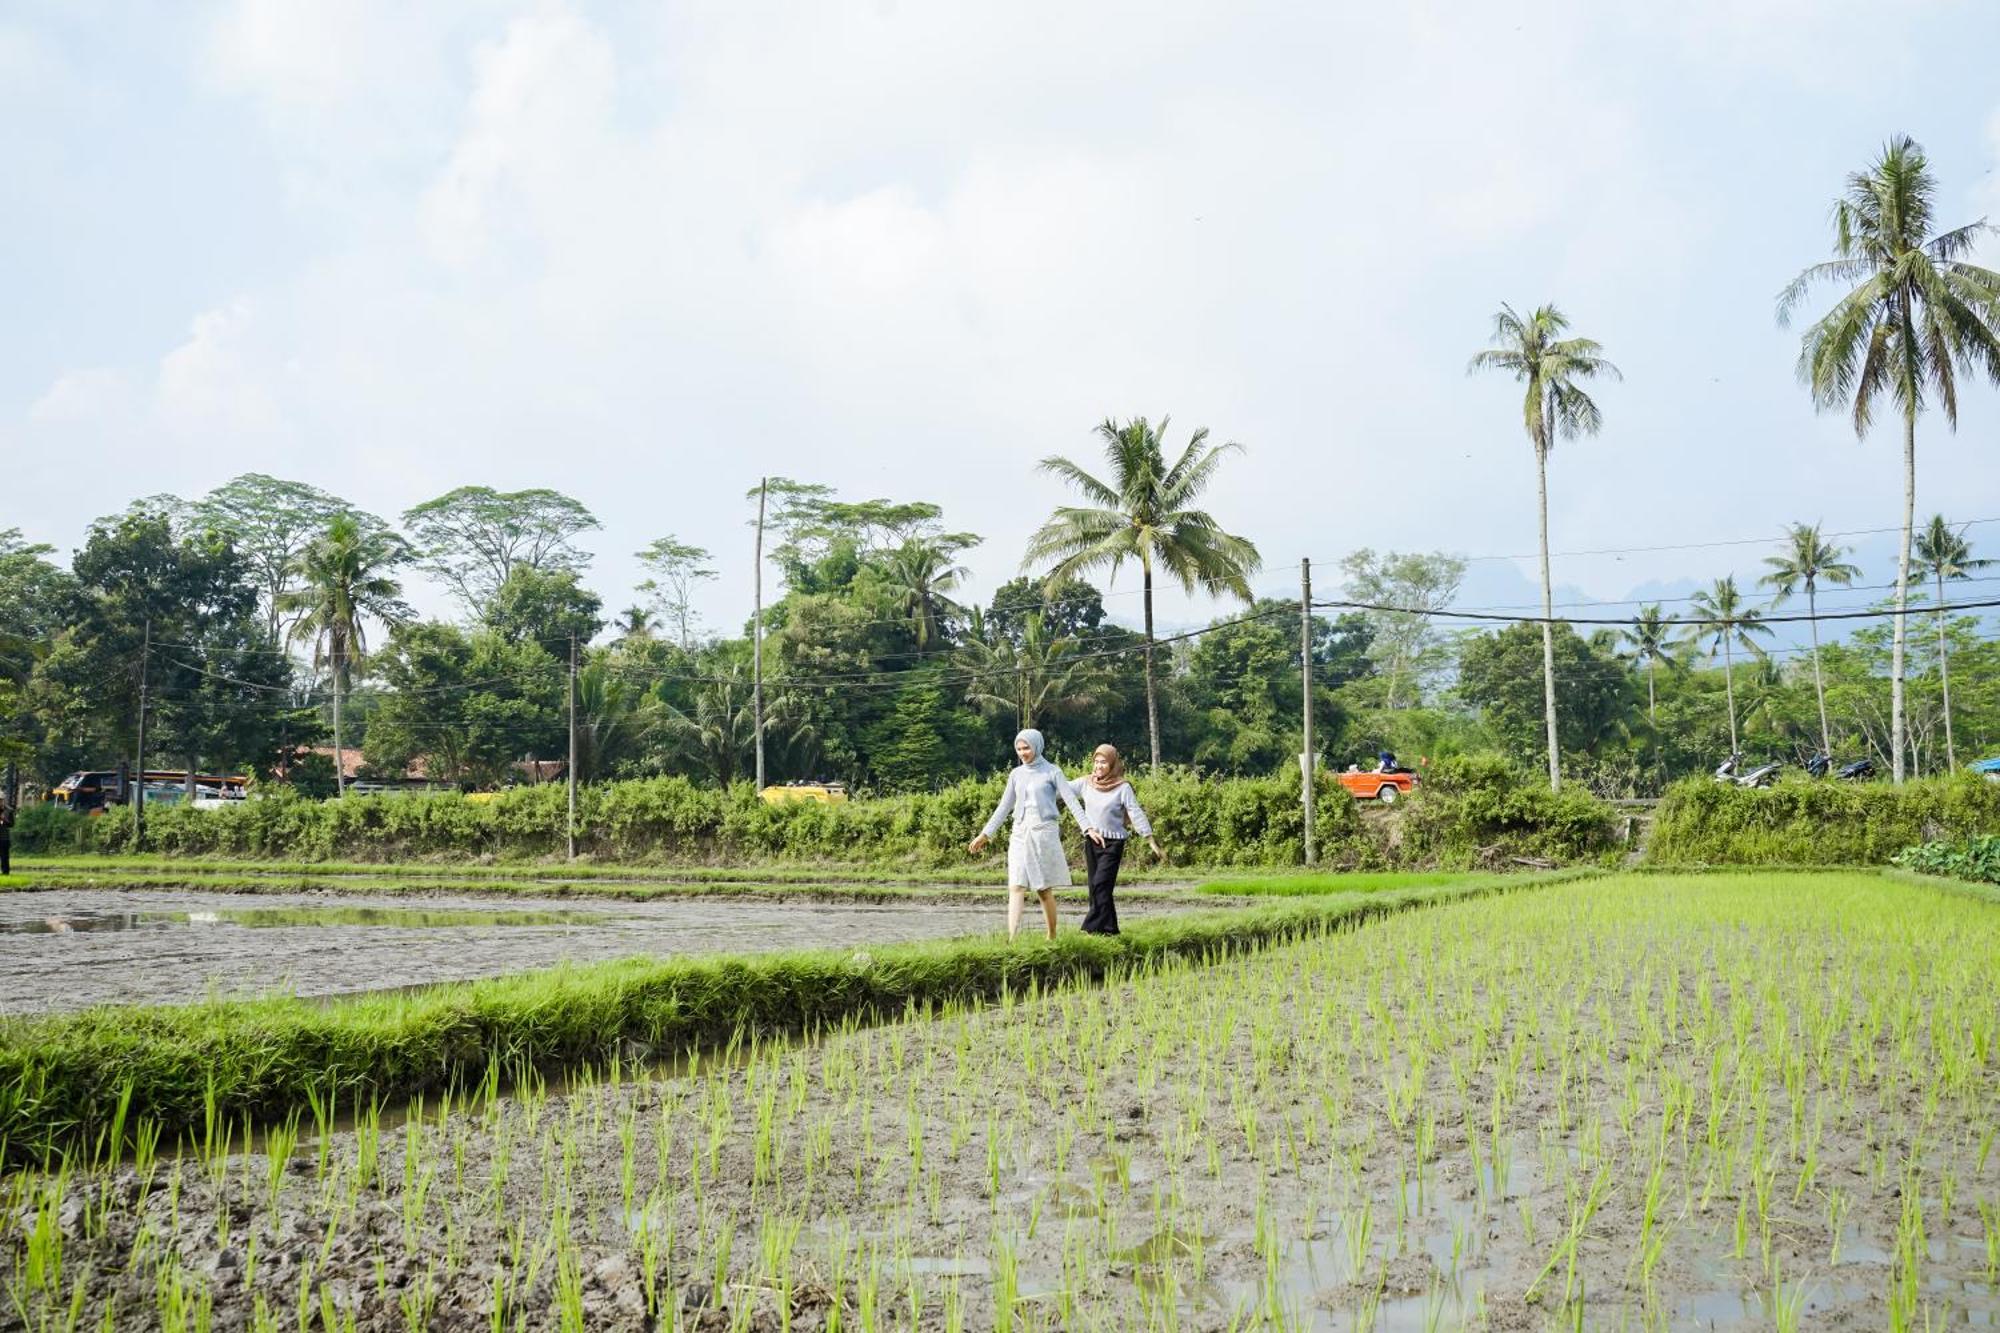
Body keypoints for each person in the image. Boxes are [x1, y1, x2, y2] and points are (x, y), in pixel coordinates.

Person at [968, 729, 1097, 940]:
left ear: (1037, 746)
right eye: (1019, 749)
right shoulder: (1016, 775)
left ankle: (1052, 935)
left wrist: (1087, 828)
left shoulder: (1052, 772)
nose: (1022, 753)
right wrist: (985, 834)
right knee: (1016, 885)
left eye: (1026, 748)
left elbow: (1072, 801)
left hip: (1043, 833)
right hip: (1019, 832)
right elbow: (1004, 807)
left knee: (1043, 889)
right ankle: (1011, 938)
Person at [1069, 744, 1160, 936]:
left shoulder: (1122, 787)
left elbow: (1135, 812)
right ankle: (1110, 930)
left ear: (1112, 764)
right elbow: (1063, 790)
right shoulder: (1086, 783)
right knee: (1097, 886)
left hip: (1113, 843)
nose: (1098, 766)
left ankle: (1089, 928)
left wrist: (1150, 840)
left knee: (1101, 884)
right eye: (1096, 761)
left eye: (1103, 762)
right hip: (1092, 841)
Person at [0, 801, 12, 877]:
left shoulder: (8, 810)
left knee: (4, 856)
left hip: (4, 837)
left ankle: (5, 872)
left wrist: (3, 819)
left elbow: (12, 824)